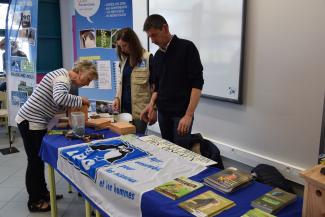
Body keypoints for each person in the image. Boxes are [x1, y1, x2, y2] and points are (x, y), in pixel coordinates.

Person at [15, 60, 98, 212]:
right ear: (80, 72)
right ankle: (34, 201)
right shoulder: (63, 79)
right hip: (30, 122)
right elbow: (59, 98)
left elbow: (55, 102)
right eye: (87, 79)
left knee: (39, 160)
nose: (87, 84)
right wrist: (81, 100)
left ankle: (43, 192)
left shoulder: (63, 77)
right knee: (34, 162)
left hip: (34, 122)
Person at [140, 14, 204, 149]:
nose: (152, 41)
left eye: (154, 35)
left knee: (181, 156)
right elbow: (157, 87)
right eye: (150, 37)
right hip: (164, 114)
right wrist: (151, 106)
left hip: (181, 116)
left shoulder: (187, 48)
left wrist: (188, 115)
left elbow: (197, 84)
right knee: (168, 153)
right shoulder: (157, 56)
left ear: (165, 28)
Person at [112, 28, 154, 134]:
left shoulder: (148, 58)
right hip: (123, 111)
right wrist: (117, 98)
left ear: (133, 43)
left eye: (125, 45)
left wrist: (154, 108)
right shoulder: (124, 59)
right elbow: (121, 83)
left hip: (140, 112)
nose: (122, 49)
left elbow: (154, 87)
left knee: (137, 140)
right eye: (120, 46)